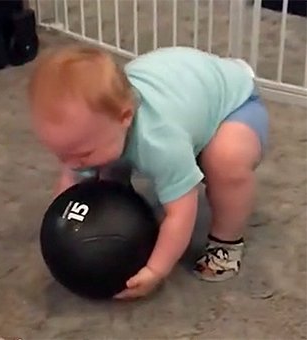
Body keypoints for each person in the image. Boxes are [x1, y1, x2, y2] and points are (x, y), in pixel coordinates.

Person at [28, 45, 268, 299]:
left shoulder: (160, 142)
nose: (73, 163)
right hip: (183, 90)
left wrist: (156, 269)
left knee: (225, 162)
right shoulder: (90, 134)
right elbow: (70, 188)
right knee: (106, 161)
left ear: (125, 117)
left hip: (234, 103)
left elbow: (181, 212)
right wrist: (58, 230)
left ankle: (226, 243)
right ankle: (116, 181)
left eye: (83, 154)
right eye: (61, 154)